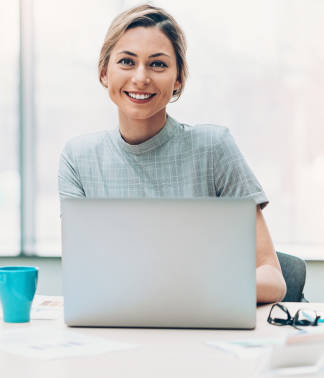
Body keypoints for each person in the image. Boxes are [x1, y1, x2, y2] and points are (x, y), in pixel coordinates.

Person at [57, 4, 286, 304]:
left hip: (203, 328)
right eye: (127, 61)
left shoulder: (213, 148)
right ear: (104, 73)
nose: (141, 78)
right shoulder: (79, 158)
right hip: (119, 332)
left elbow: (272, 278)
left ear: (178, 79)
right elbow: (84, 278)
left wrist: (189, 292)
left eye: (158, 65)